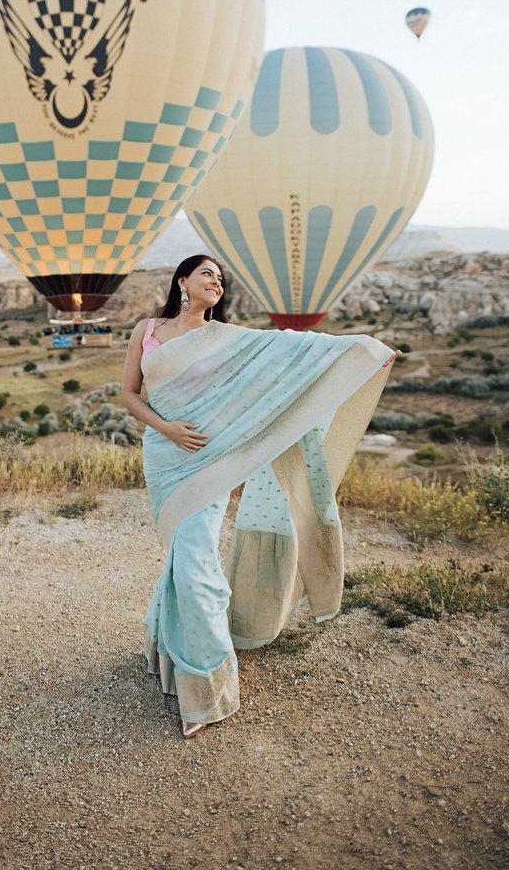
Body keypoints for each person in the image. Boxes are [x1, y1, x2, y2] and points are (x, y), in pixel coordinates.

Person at [121, 253, 399, 740]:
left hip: (210, 460)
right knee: (181, 554)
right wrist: (166, 428)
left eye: (221, 278)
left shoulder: (228, 338)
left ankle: (207, 690)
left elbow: (295, 348)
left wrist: (364, 351)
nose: (216, 282)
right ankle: (168, 654)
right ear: (182, 280)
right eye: (206, 273)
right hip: (164, 456)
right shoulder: (148, 329)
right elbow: (129, 394)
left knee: (194, 563)